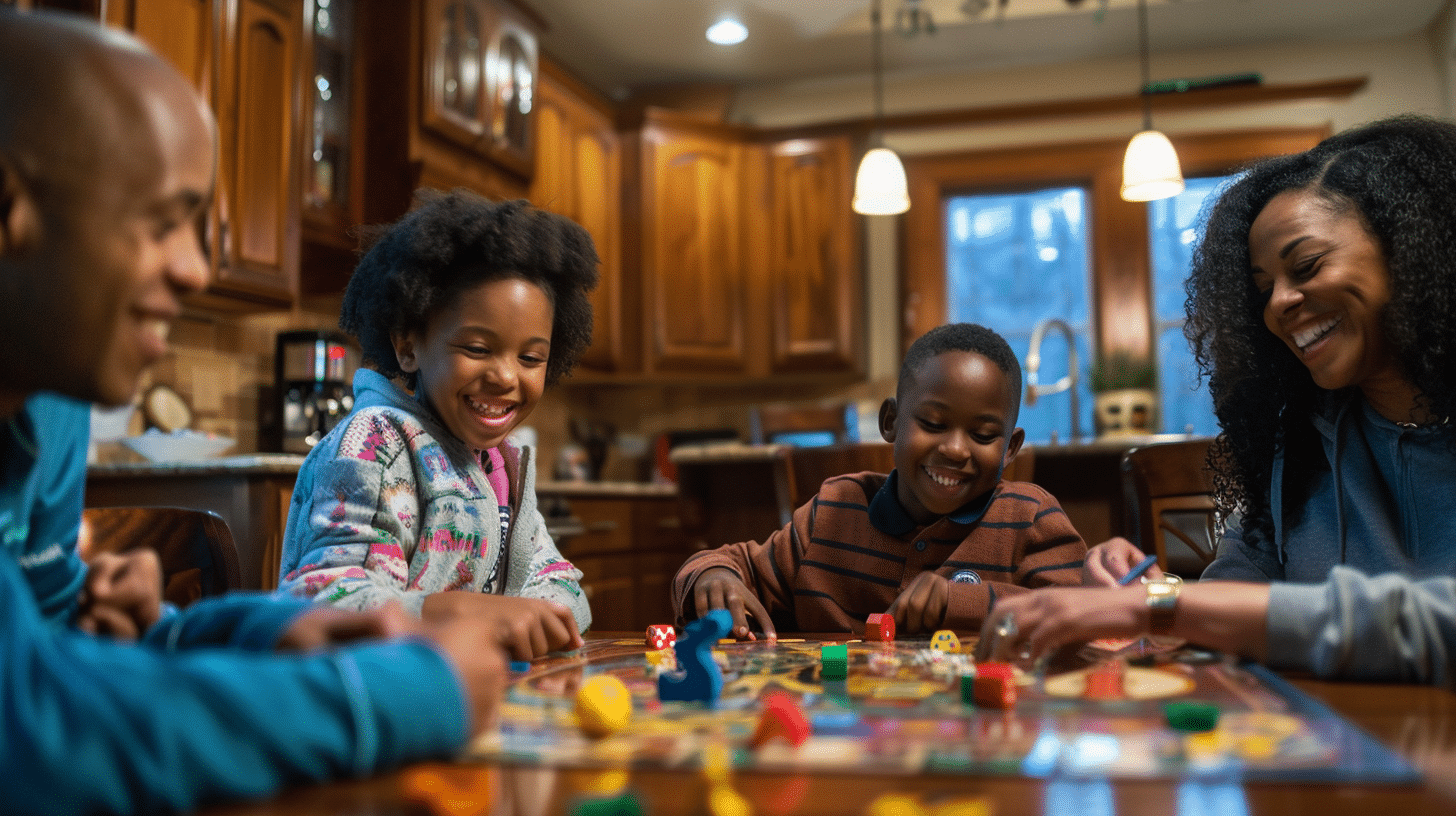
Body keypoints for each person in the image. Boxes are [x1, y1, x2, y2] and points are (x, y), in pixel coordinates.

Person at [0, 10, 512, 813]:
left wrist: (251, 633)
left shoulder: (46, 411)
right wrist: (385, 697)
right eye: (161, 222)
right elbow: (27, 728)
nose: (197, 268)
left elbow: (48, 638)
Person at [979, 115, 1456, 686]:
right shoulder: (1299, 440)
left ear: (1408, 251)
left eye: (1305, 266)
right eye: (1262, 290)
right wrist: (1146, 588)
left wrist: (1155, 608)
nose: (1279, 303)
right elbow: (1240, 593)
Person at [277, 190, 596, 660]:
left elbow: (561, 584)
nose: (506, 376)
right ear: (408, 346)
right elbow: (325, 600)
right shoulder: (374, 445)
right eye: (477, 349)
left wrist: (532, 615)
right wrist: (467, 613)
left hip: (468, 699)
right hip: (373, 708)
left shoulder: (503, 467)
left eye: (530, 358)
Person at [673, 323, 1087, 640]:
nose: (956, 449)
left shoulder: (1030, 519)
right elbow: (729, 564)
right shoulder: (833, 511)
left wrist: (958, 600)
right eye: (932, 423)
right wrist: (713, 579)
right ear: (890, 422)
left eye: (982, 435)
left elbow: (1078, 612)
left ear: (1010, 448)